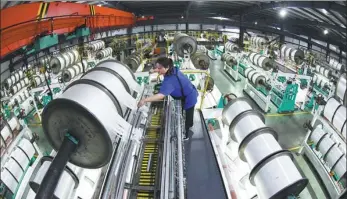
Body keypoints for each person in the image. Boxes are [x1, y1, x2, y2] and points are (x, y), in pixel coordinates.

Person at [137, 57, 198, 140]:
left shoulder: (170, 81)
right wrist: (155, 71)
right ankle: (190, 124)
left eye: (159, 68)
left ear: (167, 67)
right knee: (189, 113)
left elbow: (161, 95)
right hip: (189, 91)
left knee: (188, 116)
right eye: (156, 68)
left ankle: (185, 135)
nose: (157, 70)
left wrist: (145, 100)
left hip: (189, 98)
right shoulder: (173, 69)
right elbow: (162, 71)